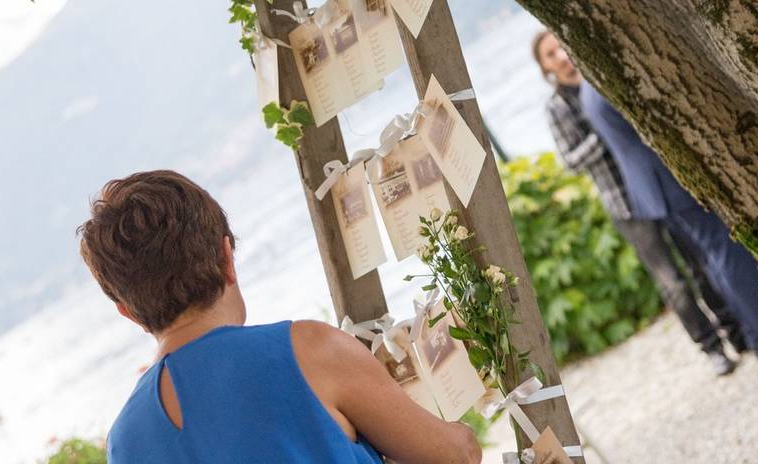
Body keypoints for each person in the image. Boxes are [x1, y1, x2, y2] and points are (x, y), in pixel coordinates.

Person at [77, 170, 480, 464]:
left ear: (127, 312)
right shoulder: (308, 350)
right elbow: (454, 456)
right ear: (225, 257)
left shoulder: (124, 443)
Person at [532, 29, 745, 376]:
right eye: (550, 54)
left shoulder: (599, 80)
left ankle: (736, 331)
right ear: (546, 68)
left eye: (560, 47)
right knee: (672, 282)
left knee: (699, 263)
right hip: (626, 206)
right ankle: (711, 348)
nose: (560, 56)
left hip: (658, 189)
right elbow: (570, 160)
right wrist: (603, 132)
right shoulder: (558, 108)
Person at [579, 82, 758, 364]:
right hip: (667, 181)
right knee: (728, 250)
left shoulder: (588, 89)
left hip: (653, 188)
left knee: (713, 257)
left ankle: (757, 335)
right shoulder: (600, 84)